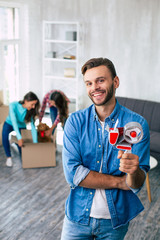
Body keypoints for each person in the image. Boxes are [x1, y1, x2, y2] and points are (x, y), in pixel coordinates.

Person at [61, 58, 150, 240]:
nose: (95, 87)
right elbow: (73, 174)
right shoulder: (75, 122)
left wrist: (133, 172)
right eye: (89, 83)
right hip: (77, 217)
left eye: (100, 80)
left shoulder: (134, 125)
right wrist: (118, 182)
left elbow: (136, 183)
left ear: (115, 82)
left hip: (114, 221)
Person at [2, 91, 40, 167]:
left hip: (21, 125)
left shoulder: (31, 110)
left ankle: (23, 157)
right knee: (4, 136)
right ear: (26, 101)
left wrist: (35, 144)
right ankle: (8, 157)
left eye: (34, 105)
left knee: (22, 143)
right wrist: (19, 137)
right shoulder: (13, 105)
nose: (33, 107)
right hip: (9, 123)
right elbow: (14, 121)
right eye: (32, 104)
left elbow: (33, 126)